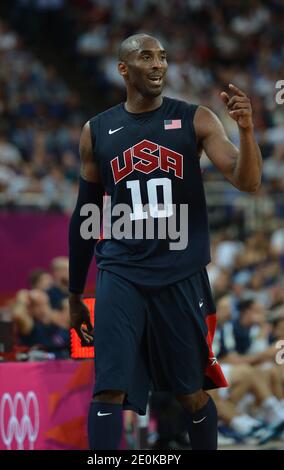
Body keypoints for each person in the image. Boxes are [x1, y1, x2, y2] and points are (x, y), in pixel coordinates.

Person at [68, 33, 262, 450]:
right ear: (124, 69)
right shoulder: (97, 131)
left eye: (162, 57)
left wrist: (246, 131)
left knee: (191, 392)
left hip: (180, 272)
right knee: (108, 388)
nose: (158, 64)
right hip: (120, 270)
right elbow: (86, 215)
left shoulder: (197, 118)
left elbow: (247, 181)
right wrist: (73, 293)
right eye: (145, 57)